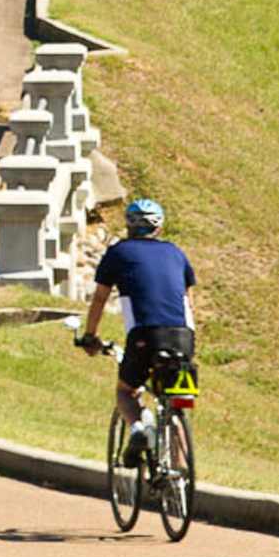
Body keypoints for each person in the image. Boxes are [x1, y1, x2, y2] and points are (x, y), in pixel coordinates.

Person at [77, 197, 196, 463]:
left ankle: (139, 429)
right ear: (159, 227)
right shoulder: (177, 253)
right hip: (184, 337)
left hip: (146, 335)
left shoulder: (119, 253)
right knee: (176, 401)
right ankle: (177, 477)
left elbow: (99, 299)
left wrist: (90, 336)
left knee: (126, 391)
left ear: (129, 226)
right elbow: (189, 301)